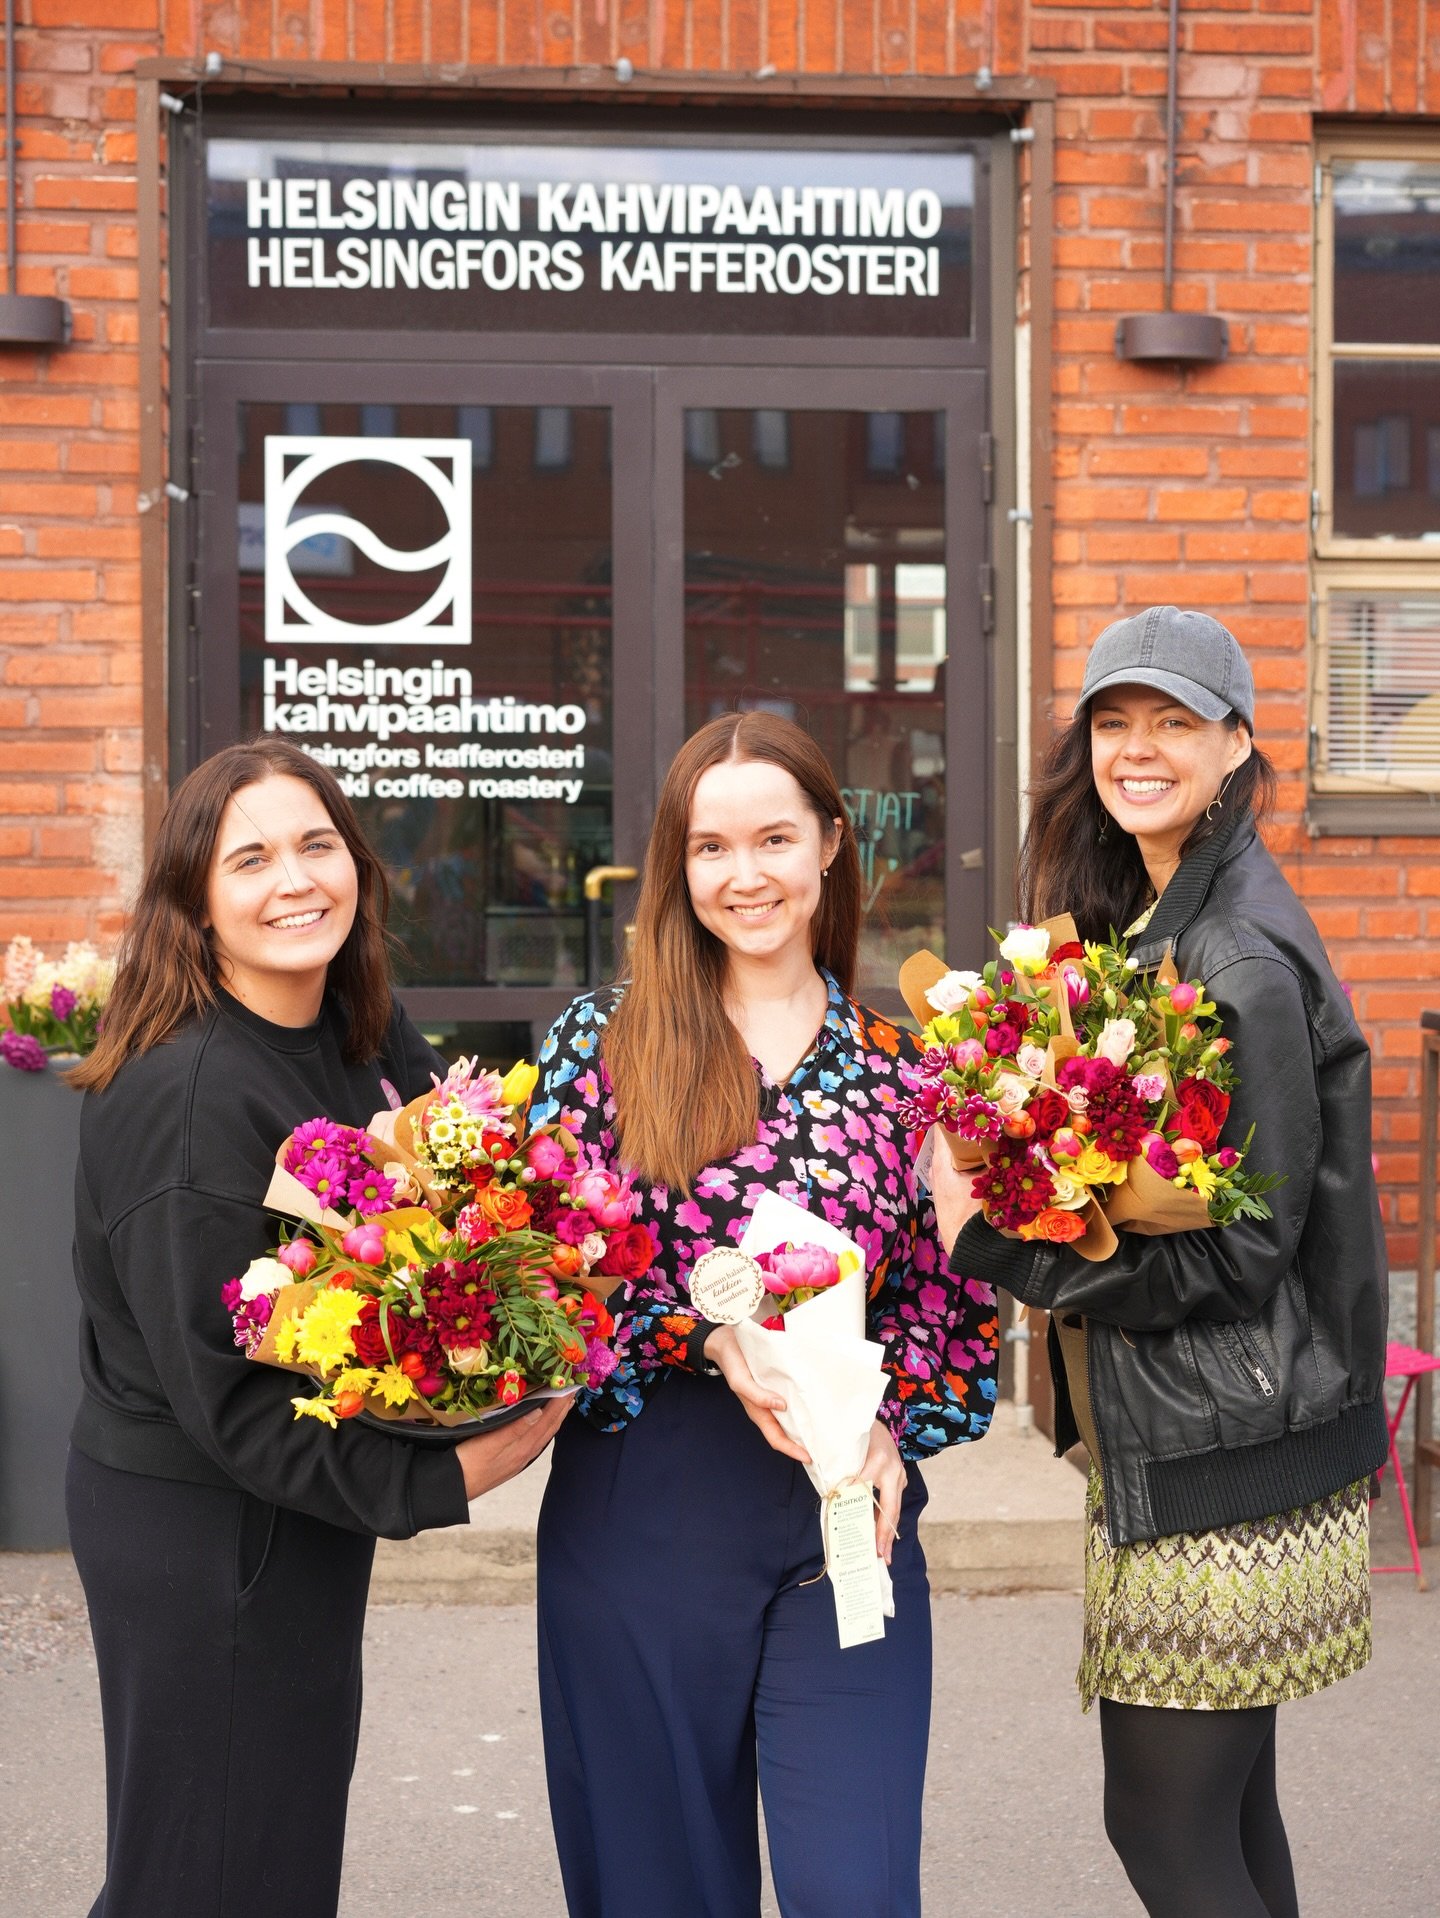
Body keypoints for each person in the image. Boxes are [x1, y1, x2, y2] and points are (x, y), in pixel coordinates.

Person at [932, 606, 1388, 1918]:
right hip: (1234, 1424)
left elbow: (1247, 1250)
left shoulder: (1232, 945)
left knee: (1163, 1825)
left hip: (1224, 1449)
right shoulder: (1161, 908)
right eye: (1116, 722)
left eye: (1174, 721)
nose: (1139, 748)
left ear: (1237, 743)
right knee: (1235, 1813)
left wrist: (998, 1244)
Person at [65, 739, 568, 1918]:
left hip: (289, 1513)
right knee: (212, 1872)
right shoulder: (190, 1104)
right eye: (250, 858)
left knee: (260, 1854)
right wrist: (440, 1482)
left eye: (315, 845)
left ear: (357, 865)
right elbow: (228, 1397)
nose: (294, 880)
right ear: (195, 901)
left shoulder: (353, 1030)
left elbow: (441, 1204)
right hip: (208, 1530)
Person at [529, 711, 998, 1918]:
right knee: (658, 1893)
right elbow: (547, 1283)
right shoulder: (603, 1046)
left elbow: (952, 1324)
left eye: (776, 837)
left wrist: (897, 1427)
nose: (746, 876)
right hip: (644, 1513)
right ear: (676, 868)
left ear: (832, 845)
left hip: (842, 1520)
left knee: (858, 1889)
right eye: (711, 847)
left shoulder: (909, 1075)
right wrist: (705, 1329)